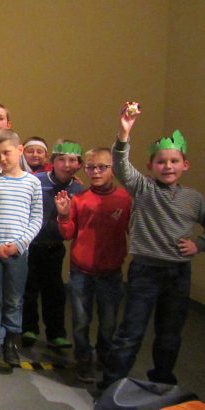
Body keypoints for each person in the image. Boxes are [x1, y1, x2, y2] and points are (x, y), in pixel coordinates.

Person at [100, 103, 205, 389]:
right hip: (145, 272)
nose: (167, 166)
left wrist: (198, 245)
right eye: (161, 161)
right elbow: (120, 166)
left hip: (178, 274)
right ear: (150, 166)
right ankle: (111, 385)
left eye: (174, 161)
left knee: (170, 334)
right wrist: (124, 133)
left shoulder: (194, 198)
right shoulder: (143, 188)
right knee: (131, 332)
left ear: (185, 165)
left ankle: (162, 383)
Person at [55, 147, 132, 383]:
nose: (95, 172)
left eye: (102, 167)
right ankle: (83, 359)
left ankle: (104, 356)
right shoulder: (79, 199)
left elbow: (134, 231)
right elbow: (68, 234)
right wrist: (63, 215)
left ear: (113, 169)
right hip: (81, 272)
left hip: (111, 273)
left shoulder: (125, 199)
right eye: (90, 167)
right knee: (80, 321)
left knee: (108, 322)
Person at [0, 129, 42, 366]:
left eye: (7, 153)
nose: (2, 158)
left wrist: (20, 244)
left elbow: (36, 218)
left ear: (19, 150)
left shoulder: (33, 183)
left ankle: (11, 341)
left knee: (14, 299)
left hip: (18, 253)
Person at [22, 141, 84, 350]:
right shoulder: (36, 180)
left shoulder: (78, 189)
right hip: (31, 245)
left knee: (55, 291)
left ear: (79, 165)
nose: (66, 164)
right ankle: (28, 328)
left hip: (55, 246)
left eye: (72, 160)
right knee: (29, 289)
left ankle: (56, 334)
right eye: (61, 159)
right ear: (52, 162)